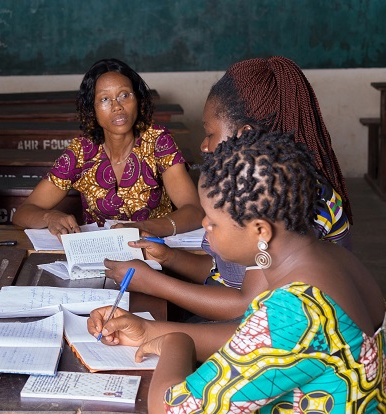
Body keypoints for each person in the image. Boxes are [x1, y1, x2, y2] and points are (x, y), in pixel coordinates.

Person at [88, 130, 385, 413]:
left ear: (260, 230)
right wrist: (149, 330)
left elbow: (170, 408)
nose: (205, 226)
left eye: (213, 222)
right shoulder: (332, 259)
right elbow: (260, 338)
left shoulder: (296, 311)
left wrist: (174, 342)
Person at [104, 56, 353, 322]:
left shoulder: (288, 198)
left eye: (209, 133)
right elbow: (222, 274)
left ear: (244, 133)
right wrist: (168, 257)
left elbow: (245, 306)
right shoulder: (246, 187)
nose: (204, 145)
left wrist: (151, 283)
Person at [12, 58, 203, 238]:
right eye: (104, 99)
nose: (117, 106)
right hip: (100, 260)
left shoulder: (158, 143)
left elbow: (194, 211)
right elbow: (23, 212)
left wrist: (143, 227)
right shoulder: (81, 152)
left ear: (138, 100)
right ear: (92, 110)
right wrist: (49, 217)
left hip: (154, 254)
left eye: (124, 95)